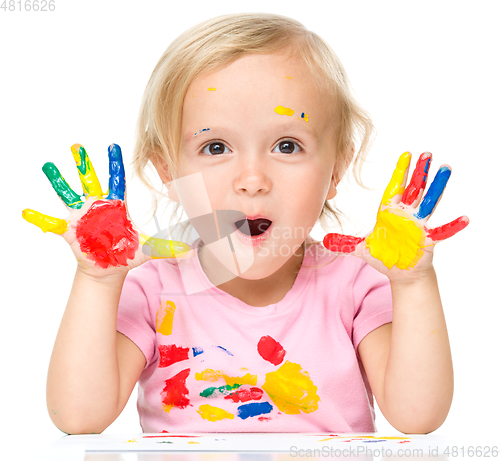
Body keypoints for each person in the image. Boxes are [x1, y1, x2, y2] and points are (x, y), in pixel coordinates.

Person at [22, 12, 468, 435]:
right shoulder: (153, 287)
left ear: (335, 170)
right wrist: (97, 283)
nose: (252, 180)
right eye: (216, 147)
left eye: (287, 146)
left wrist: (413, 285)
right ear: (169, 174)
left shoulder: (356, 283)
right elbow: (79, 418)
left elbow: (417, 417)